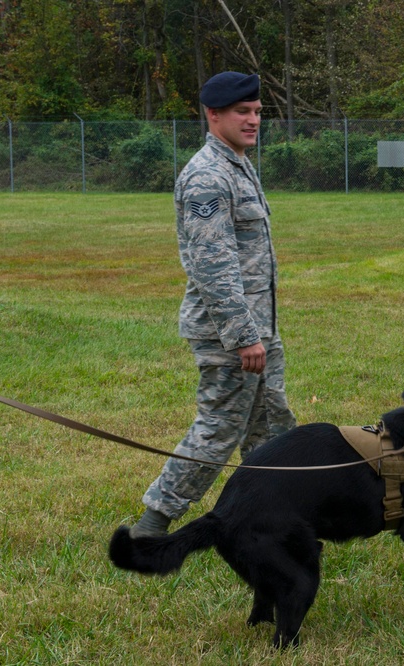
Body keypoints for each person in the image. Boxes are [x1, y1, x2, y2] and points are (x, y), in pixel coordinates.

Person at [130, 72, 297, 538]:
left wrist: (258, 333)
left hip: (259, 329)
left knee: (273, 428)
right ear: (214, 114)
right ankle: (152, 525)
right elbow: (212, 265)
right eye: (243, 112)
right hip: (230, 335)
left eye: (258, 111)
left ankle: (279, 516)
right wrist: (243, 337)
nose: (253, 120)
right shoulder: (208, 176)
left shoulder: (237, 164)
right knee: (219, 430)